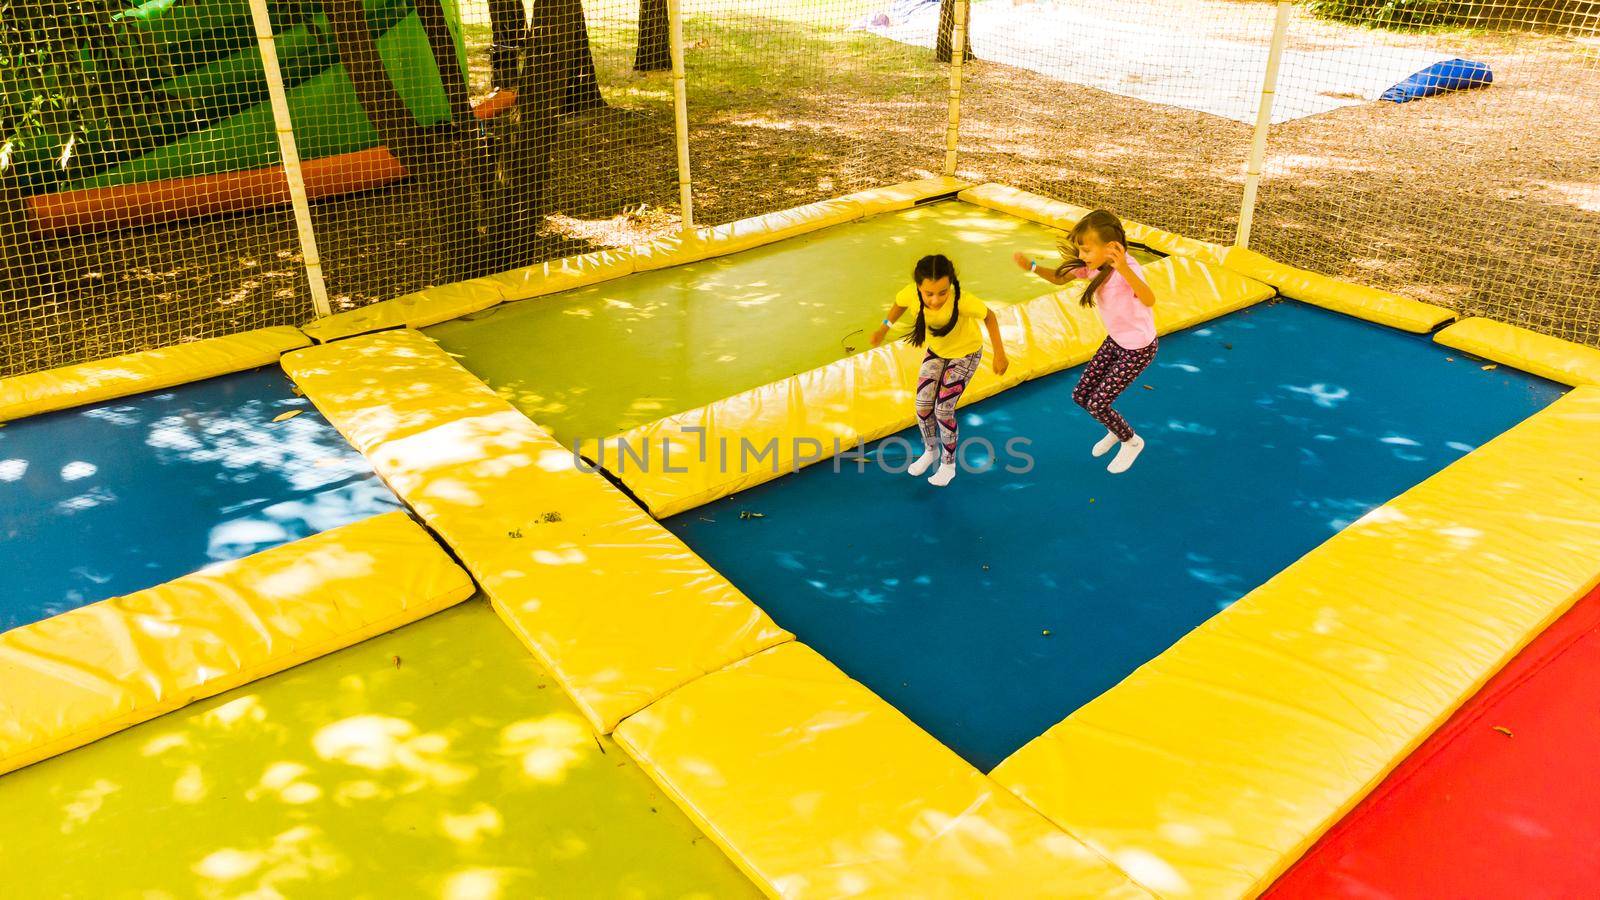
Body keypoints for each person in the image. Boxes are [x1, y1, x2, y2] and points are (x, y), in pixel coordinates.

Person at [1015, 209, 1157, 473]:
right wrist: (1032, 267)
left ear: (1111, 248)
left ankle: (1131, 441)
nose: (1081, 256)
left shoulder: (1129, 270)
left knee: (1097, 403)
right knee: (1080, 395)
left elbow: (1149, 300)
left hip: (1138, 349)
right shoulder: (1094, 268)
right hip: (1116, 342)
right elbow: (1059, 278)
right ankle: (1114, 431)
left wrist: (1124, 268)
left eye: (1086, 250)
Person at [871, 254, 1009, 487]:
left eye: (942, 292)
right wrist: (883, 328)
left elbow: (990, 316)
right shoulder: (910, 294)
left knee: (943, 410)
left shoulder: (962, 300)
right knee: (922, 405)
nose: (935, 300)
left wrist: (999, 353)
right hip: (937, 352)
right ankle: (930, 451)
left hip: (966, 354)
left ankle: (948, 465)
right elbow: (898, 305)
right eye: (929, 293)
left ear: (951, 285)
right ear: (918, 287)